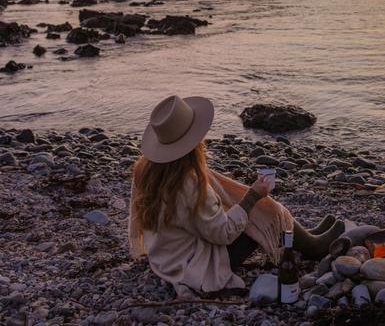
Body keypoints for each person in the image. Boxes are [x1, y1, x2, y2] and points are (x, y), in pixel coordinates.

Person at [128, 95, 345, 297]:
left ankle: (304, 236)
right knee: (261, 213)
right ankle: (313, 246)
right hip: (196, 264)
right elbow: (224, 234)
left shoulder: (144, 170)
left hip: (167, 257)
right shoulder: (188, 184)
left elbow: (157, 219)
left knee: (244, 208)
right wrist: (252, 197)